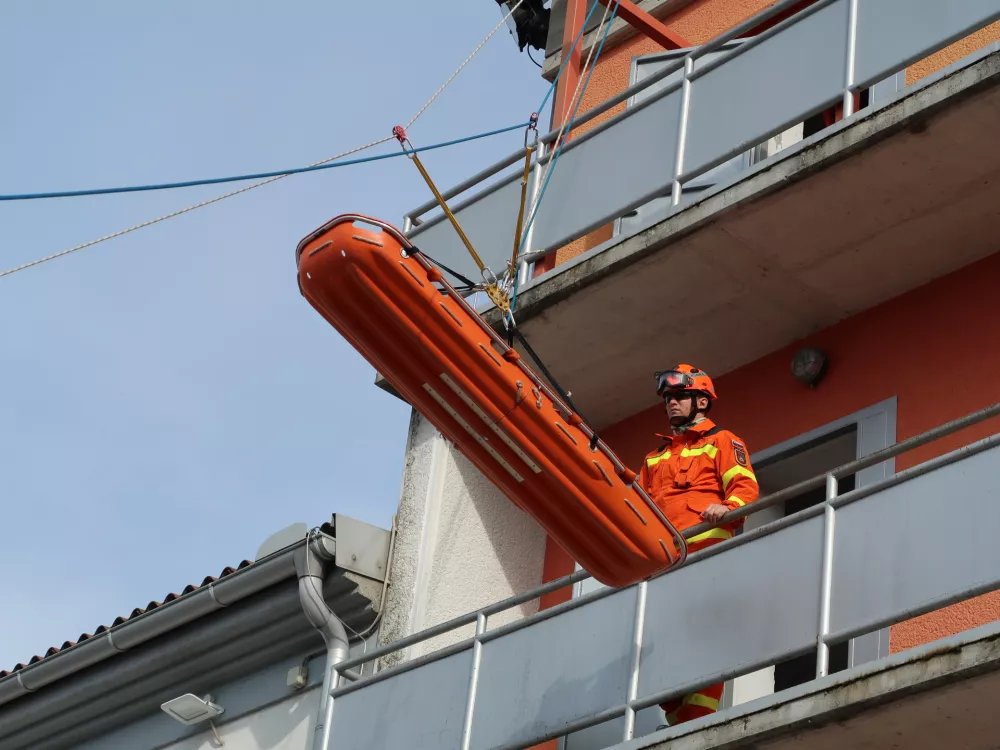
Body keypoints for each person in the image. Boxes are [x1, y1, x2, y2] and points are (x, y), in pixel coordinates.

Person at [637, 364, 759, 729]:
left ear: (701, 401)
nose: (671, 403)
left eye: (679, 397)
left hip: (708, 558)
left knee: (706, 640)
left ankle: (697, 723)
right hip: (665, 565)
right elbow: (638, 509)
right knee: (664, 649)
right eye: (668, 399)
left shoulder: (723, 441)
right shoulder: (654, 457)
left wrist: (728, 507)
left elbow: (745, 488)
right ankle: (679, 724)